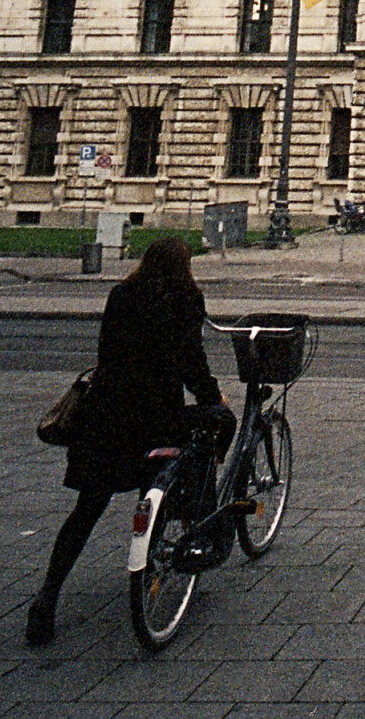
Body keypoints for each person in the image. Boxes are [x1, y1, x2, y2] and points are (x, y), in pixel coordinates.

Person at [27, 236, 227, 645]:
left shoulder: (122, 294)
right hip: (156, 420)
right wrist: (212, 397)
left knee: (85, 511)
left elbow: (106, 354)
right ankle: (189, 525)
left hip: (105, 418)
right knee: (213, 429)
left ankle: (47, 596)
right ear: (183, 267)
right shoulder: (187, 298)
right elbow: (192, 361)